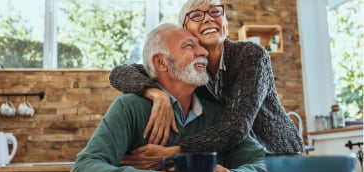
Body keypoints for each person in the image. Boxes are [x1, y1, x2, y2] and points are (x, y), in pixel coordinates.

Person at [69, 23, 271, 172]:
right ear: (161, 62)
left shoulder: (218, 114)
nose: (203, 52)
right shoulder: (129, 108)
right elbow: (83, 171)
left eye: (200, 46)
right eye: (189, 46)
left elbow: (268, 165)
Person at [109, 0, 303, 154]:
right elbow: (119, 73)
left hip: (278, 155)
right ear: (185, 32)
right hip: (240, 160)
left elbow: (236, 127)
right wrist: (157, 94)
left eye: (215, 12)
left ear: (225, 25)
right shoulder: (186, 68)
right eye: (196, 15)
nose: (209, 18)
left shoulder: (251, 56)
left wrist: (177, 151)